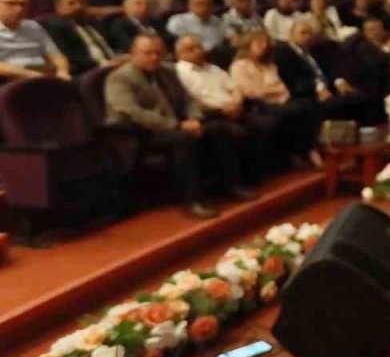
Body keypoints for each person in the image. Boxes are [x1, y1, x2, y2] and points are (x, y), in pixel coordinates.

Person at [104, 34, 246, 219]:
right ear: (133, 54)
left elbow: (187, 100)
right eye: (147, 53)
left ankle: (229, 185)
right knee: (183, 139)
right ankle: (192, 201)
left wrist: (195, 118)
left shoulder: (167, 71)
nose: (154, 57)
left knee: (219, 130)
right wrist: (178, 125)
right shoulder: (120, 77)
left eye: (158, 53)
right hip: (139, 131)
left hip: (173, 125)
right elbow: (132, 112)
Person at [173, 36, 269, 187]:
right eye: (190, 49)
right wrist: (222, 110)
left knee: (263, 123)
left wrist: (236, 103)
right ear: (178, 53)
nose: (197, 51)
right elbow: (191, 101)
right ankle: (232, 185)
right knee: (232, 132)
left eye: (199, 47)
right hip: (209, 114)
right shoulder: (178, 72)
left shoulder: (213, 68)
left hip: (233, 108)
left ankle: (254, 175)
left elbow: (234, 87)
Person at [229, 30, 320, 169]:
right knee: (293, 111)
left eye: (266, 43)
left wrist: (268, 91)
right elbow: (251, 92)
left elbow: (282, 88)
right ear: (248, 45)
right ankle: (297, 154)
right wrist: (270, 91)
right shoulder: (239, 66)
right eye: (259, 43)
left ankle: (309, 150)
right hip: (258, 106)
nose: (264, 46)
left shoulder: (270, 65)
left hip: (282, 100)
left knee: (308, 106)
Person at [41, 0, 125, 76]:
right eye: (71, 3)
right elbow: (71, 59)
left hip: (115, 66)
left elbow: (110, 45)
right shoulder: (56, 27)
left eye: (82, 2)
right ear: (58, 7)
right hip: (90, 73)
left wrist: (120, 57)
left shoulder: (93, 23)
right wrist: (104, 64)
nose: (78, 7)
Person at [0, 0, 71, 81]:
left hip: (43, 74)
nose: (19, 9)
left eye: (23, 4)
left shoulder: (33, 26)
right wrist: (33, 75)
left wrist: (63, 72)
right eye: (11, 3)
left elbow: (56, 55)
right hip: (11, 80)